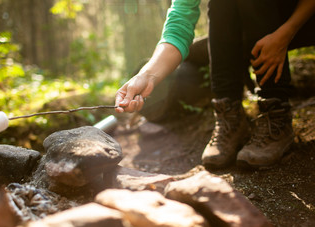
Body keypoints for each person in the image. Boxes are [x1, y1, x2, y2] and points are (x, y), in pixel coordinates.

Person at [115, 0, 315, 169]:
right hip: (253, 27)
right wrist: (146, 75)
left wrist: (286, 33)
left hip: (301, 18)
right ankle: (229, 116)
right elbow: (178, 26)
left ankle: (276, 117)